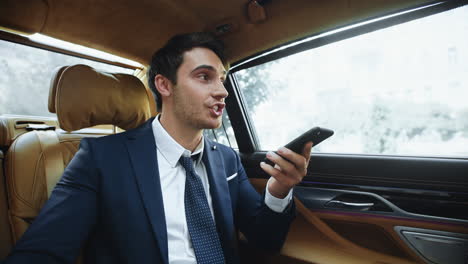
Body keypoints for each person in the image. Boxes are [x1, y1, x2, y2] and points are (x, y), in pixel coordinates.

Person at [3, 32, 312, 264]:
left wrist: (279, 190)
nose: (222, 91)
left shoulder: (227, 159)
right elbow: (44, 251)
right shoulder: (101, 158)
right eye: (204, 77)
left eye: (222, 79)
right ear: (165, 86)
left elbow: (265, 241)